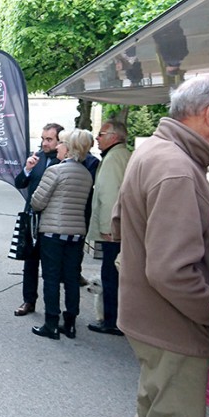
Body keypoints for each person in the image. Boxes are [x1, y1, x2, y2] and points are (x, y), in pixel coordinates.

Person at [114, 74, 209, 417]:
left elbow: (118, 227)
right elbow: (171, 270)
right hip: (174, 326)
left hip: (151, 320)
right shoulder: (177, 168)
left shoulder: (153, 152)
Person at [29, 130, 94, 340]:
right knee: (71, 278)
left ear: (69, 148)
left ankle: (51, 323)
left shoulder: (55, 171)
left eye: (61, 144)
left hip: (53, 232)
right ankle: (70, 323)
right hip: (76, 233)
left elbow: (37, 202)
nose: (57, 147)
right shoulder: (86, 174)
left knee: (51, 278)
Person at [13, 122, 64, 316]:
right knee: (30, 261)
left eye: (49, 139)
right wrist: (26, 169)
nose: (44, 143)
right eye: (43, 139)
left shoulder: (63, 161)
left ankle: (53, 309)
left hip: (53, 220)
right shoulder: (38, 158)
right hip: (32, 218)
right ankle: (28, 301)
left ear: (60, 141)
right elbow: (20, 182)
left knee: (52, 267)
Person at [87, 119, 131, 336]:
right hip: (122, 227)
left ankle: (111, 320)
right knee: (116, 273)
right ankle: (117, 318)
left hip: (113, 230)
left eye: (101, 134)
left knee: (110, 274)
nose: (97, 138)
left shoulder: (114, 158)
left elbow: (109, 194)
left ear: (114, 136)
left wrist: (107, 226)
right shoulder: (122, 155)